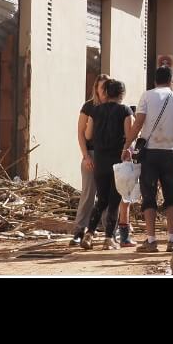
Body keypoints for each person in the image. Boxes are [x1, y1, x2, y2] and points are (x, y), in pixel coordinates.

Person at [128, 66, 173, 253]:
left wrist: (126, 145)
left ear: (154, 81)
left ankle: (151, 240)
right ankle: (172, 240)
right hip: (171, 153)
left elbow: (138, 123)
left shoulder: (147, 96)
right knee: (171, 197)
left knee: (149, 196)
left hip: (150, 153)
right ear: (172, 81)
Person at [81, 79, 134, 250]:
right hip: (117, 160)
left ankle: (88, 234)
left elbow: (88, 135)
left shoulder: (95, 111)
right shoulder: (125, 110)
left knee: (101, 199)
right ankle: (108, 239)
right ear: (121, 94)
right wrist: (127, 150)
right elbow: (129, 136)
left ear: (106, 93)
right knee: (114, 201)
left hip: (100, 160)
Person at [72, 74, 109, 246]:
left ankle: (108, 231)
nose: (102, 91)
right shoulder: (89, 106)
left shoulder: (114, 106)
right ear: (95, 89)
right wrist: (85, 155)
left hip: (108, 156)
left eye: (105, 87)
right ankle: (79, 230)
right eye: (100, 87)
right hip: (92, 154)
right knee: (88, 194)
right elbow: (81, 132)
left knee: (107, 195)